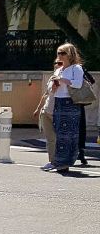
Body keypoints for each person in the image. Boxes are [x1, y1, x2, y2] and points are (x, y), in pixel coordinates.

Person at [48, 43, 86, 174]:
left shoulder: (76, 68)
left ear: (70, 54)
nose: (59, 56)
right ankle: (60, 163)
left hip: (70, 103)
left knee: (68, 135)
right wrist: (54, 85)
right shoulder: (59, 69)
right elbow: (51, 89)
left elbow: (77, 84)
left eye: (63, 53)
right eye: (58, 53)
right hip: (59, 102)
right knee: (59, 133)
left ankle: (64, 164)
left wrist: (62, 79)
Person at [34, 73, 57, 171]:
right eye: (56, 64)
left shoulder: (67, 78)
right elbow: (45, 95)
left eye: (60, 63)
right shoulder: (52, 79)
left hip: (58, 113)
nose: (57, 66)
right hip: (46, 111)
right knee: (50, 139)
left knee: (59, 138)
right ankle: (52, 161)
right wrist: (38, 108)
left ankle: (61, 161)